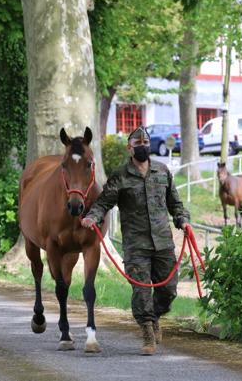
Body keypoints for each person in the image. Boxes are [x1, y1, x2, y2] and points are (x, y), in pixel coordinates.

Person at [81, 126, 190, 355]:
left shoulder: (162, 171)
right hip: (136, 245)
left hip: (163, 243)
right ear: (129, 148)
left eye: (145, 143)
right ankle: (148, 332)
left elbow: (175, 204)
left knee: (169, 290)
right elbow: (103, 203)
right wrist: (92, 217)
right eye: (138, 144)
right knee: (141, 291)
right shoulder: (120, 176)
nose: (142, 147)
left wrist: (183, 221)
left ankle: (155, 316)